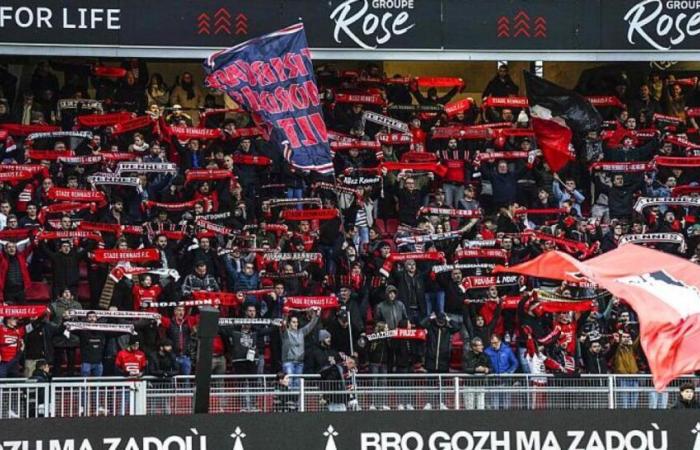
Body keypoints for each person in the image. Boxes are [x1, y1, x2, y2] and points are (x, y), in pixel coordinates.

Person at [280, 307, 319, 389]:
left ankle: (295, 402)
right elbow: (283, 324)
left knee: (297, 385)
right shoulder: (285, 333)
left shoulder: (301, 332)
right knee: (289, 383)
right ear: (289, 323)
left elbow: (311, 325)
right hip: (288, 362)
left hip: (299, 363)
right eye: (293, 322)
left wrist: (317, 315)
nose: (296, 324)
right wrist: (285, 314)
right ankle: (288, 401)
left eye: (297, 322)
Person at [484, 334, 518, 409]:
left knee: (506, 406)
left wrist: (509, 372)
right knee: (494, 406)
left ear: (500, 341)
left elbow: (515, 363)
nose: (493, 345)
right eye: (492, 343)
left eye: (495, 343)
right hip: (493, 382)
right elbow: (483, 363)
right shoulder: (487, 351)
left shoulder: (507, 350)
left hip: (505, 381)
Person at [462, 337, 491, 410]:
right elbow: (464, 369)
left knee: (480, 407)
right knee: (469, 408)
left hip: (481, 384)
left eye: (482, 345)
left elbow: (491, 368)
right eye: (480, 345)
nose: (482, 347)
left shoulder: (485, 356)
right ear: (474, 347)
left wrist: (487, 369)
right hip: (469, 385)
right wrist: (475, 369)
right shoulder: (466, 356)